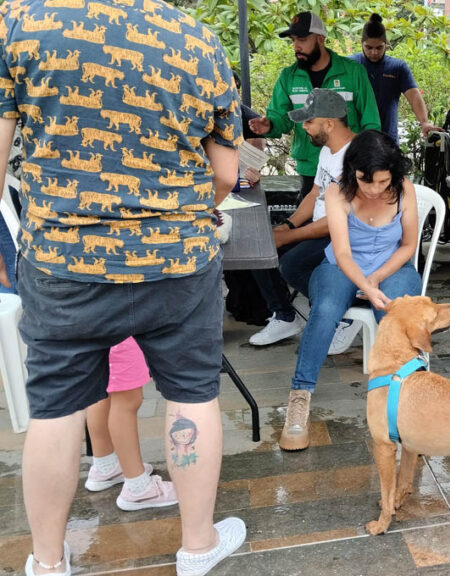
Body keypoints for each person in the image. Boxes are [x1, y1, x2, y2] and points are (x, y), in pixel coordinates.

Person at [0, 0, 246, 572]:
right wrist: (182, 219)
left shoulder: (21, 20)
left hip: (64, 261)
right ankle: (197, 546)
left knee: (56, 408)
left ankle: (47, 562)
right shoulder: (197, 39)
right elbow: (227, 174)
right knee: (191, 394)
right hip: (178, 262)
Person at [280, 128, 422, 451]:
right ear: (352, 171)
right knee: (327, 308)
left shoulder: (404, 190)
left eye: (383, 182)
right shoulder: (337, 192)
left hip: (392, 264)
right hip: (341, 266)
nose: (374, 190)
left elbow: (409, 245)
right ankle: (299, 399)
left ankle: (409, 396)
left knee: (393, 309)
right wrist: (363, 283)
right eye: (365, 180)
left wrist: (374, 282)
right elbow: (343, 254)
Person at [248, 89, 359, 352]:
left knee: (291, 265)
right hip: (321, 228)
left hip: (345, 233)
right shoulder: (327, 151)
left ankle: (345, 314)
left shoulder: (356, 156)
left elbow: (338, 220)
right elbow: (314, 194)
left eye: (309, 121)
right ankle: (285, 315)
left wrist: (289, 236)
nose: (304, 127)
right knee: (261, 248)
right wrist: (287, 226)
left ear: (329, 124)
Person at [248, 11, 381, 198]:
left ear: (320, 39)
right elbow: (281, 118)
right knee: (310, 216)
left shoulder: (353, 72)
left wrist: (364, 159)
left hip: (348, 166)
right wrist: (269, 124)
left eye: (301, 39)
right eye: (293, 40)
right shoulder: (288, 77)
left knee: (342, 222)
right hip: (309, 167)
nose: (296, 46)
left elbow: (371, 122)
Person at [85, 338, 178, 511]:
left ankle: (105, 466)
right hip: (120, 326)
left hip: (95, 325)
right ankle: (138, 487)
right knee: (127, 400)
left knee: (101, 391)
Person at [351, 13, 441, 144]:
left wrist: (424, 122)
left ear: (386, 44)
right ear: (361, 43)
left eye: (379, 47)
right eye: (369, 47)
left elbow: (414, 96)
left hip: (388, 141)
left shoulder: (398, 67)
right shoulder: (350, 65)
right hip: (356, 142)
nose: (374, 52)